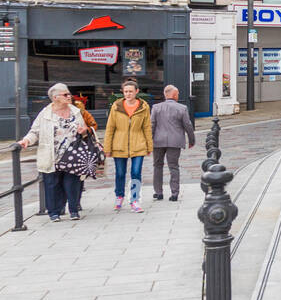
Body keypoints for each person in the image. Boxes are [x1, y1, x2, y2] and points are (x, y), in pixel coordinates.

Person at [19, 83, 89, 222]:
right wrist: (26, 140)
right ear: (55, 97)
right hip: (52, 155)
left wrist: (84, 130)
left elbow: (84, 128)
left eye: (69, 94)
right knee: (52, 184)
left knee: (72, 183)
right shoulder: (45, 114)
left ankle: (74, 210)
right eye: (66, 94)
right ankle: (54, 212)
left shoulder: (75, 111)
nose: (69, 96)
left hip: (72, 155)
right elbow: (35, 131)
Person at [104, 78, 153, 213]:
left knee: (136, 173)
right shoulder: (116, 106)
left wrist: (149, 146)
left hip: (139, 144)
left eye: (130, 91)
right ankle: (119, 196)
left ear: (136, 92)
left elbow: (147, 127)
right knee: (120, 173)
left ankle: (135, 199)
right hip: (119, 145)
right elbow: (110, 128)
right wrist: (107, 148)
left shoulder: (143, 107)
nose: (128, 94)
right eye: (125, 91)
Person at [151, 84, 196, 202]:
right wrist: (191, 140)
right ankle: (174, 193)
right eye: (178, 93)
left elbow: (152, 125)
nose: (178, 95)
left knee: (157, 166)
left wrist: (149, 140)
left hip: (158, 141)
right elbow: (188, 125)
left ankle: (158, 192)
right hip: (175, 141)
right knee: (174, 167)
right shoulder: (182, 108)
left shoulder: (156, 107)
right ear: (174, 95)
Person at [67, 93, 99, 211]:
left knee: (78, 177)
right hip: (62, 149)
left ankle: (76, 202)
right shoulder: (53, 112)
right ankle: (61, 205)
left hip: (80, 146)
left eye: (68, 98)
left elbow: (93, 125)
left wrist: (86, 130)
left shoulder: (81, 112)